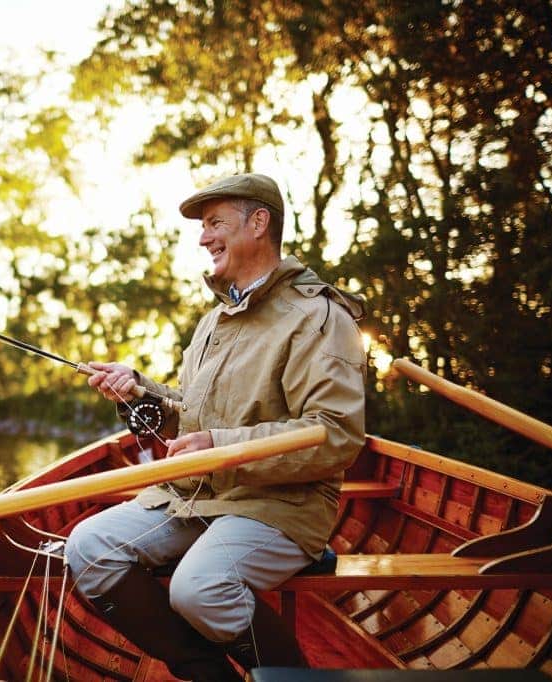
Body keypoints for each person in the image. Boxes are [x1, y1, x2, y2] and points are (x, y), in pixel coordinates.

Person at [63, 173, 367, 680]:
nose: (203, 238)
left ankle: (294, 678)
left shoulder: (318, 315)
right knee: (89, 546)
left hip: (280, 505)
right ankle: (209, 675)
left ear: (259, 223)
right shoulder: (214, 321)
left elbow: (334, 434)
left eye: (214, 224)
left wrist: (220, 445)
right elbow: (193, 415)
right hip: (196, 497)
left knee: (199, 587)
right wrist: (139, 391)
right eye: (204, 228)